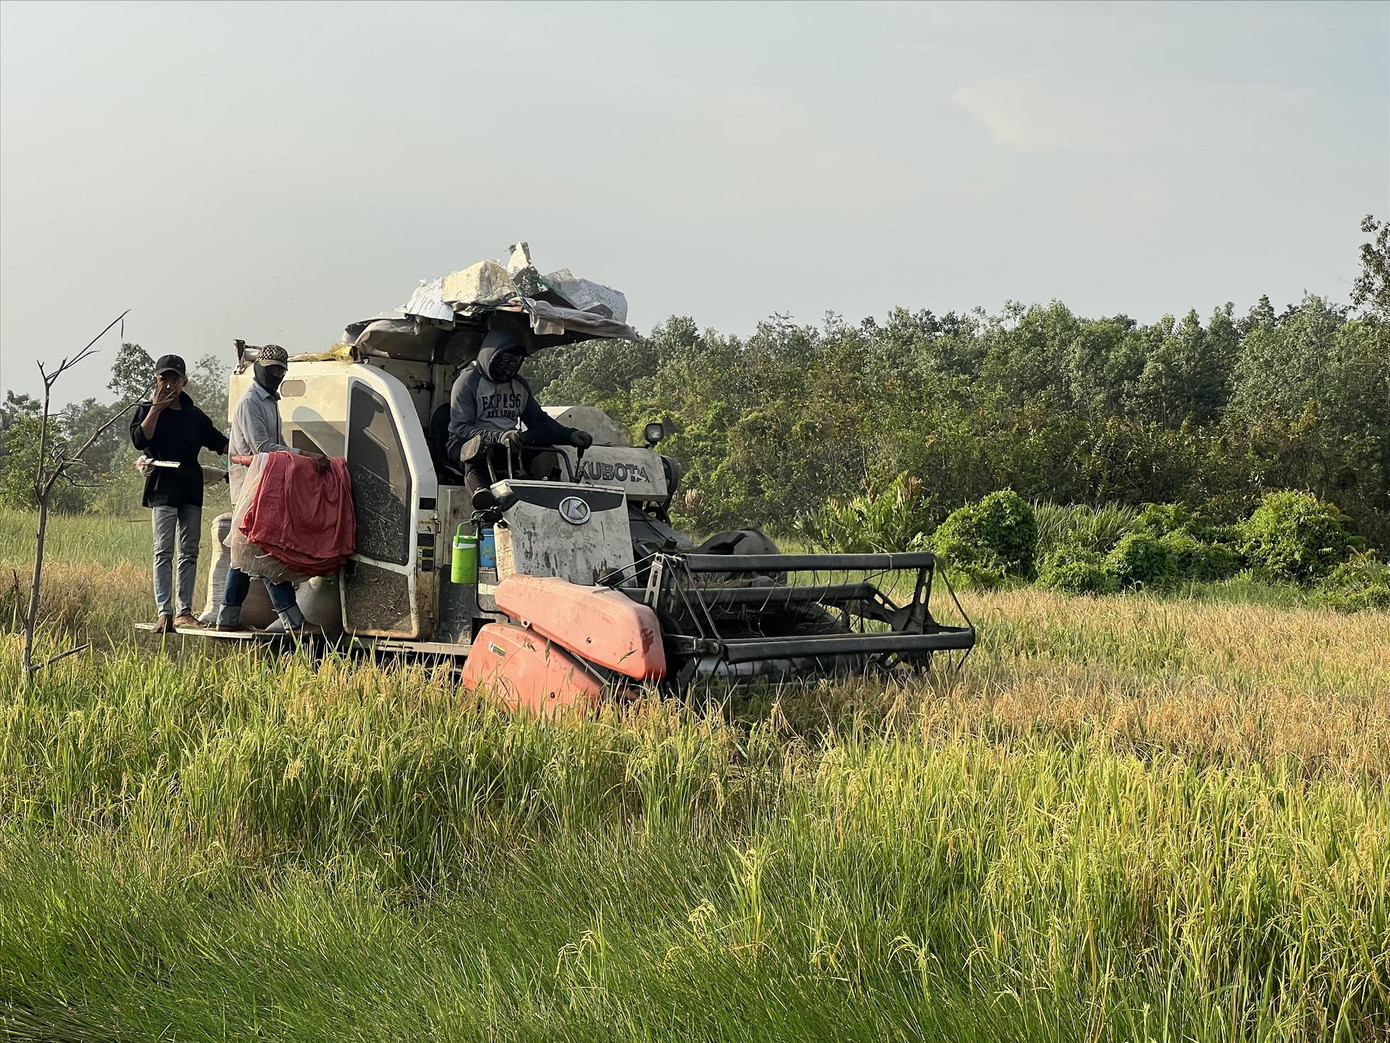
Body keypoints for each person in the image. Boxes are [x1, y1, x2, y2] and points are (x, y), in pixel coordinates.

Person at [216, 344, 331, 635]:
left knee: (245, 556)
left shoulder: (270, 402)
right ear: (259, 369)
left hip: (264, 486)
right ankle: (293, 620)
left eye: (281, 370)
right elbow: (263, 448)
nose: (277, 375)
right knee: (265, 553)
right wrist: (305, 455)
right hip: (249, 488)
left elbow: (278, 443)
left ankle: (227, 617)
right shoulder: (250, 402)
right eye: (272, 370)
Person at [129, 354, 230, 633]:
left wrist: (249, 452)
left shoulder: (194, 416)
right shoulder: (146, 410)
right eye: (164, 379)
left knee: (189, 551)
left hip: (190, 487)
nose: (169, 385)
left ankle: (184, 611)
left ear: (184, 382)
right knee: (163, 551)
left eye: (174, 379)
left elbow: (220, 443)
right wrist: (156, 409)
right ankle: (165, 611)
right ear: (156, 380)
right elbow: (140, 440)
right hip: (162, 487)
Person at [445, 328, 592, 499]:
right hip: (469, 445)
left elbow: (539, 420)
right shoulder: (467, 382)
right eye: (506, 359)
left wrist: (570, 435)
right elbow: (461, 428)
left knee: (546, 432)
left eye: (515, 360)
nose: (510, 366)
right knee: (476, 450)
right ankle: (481, 494)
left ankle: (535, 486)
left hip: (508, 445)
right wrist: (498, 437)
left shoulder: (519, 385)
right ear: (490, 356)